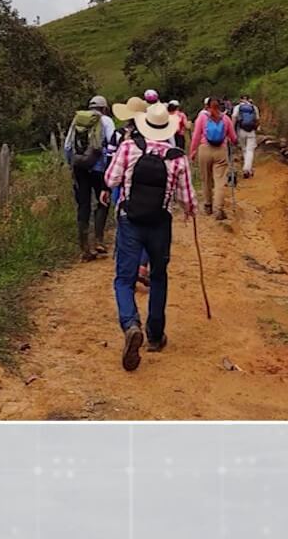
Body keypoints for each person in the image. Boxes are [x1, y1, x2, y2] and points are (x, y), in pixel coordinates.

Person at [102, 99, 196, 371]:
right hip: (160, 224)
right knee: (158, 277)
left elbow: (111, 179)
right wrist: (191, 212)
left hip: (130, 221)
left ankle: (131, 324)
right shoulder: (177, 157)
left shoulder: (130, 147)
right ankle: (155, 335)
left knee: (124, 278)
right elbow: (187, 199)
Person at [63, 95, 116, 259]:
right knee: (102, 201)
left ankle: (84, 247)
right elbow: (112, 145)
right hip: (99, 168)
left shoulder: (77, 120)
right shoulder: (106, 121)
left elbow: (67, 146)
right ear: (104, 108)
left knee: (83, 204)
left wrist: (72, 163)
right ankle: (99, 240)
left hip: (79, 168)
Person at [188, 97, 238, 219]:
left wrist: (192, 151)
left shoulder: (202, 118)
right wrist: (233, 143)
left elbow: (195, 136)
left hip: (204, 149)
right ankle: (218, 209)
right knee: (220, 181)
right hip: (220, 151)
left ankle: (208, 206)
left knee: (206, 180)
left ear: (208, 106)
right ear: (221, 106)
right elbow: (233, 138)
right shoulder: (226, 119)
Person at [232, 94, 261, 178]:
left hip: (241, 131)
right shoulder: (254, 107)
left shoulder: (237, 107)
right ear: (249, 99)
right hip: (251, 131)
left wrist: (232, 131)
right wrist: (255, 128)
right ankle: (247, 169)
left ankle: (247, 168)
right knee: (250, 150)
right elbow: (257, 120)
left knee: (244, 149)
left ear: (240, 99)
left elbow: (233, 119)